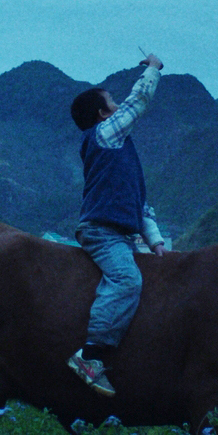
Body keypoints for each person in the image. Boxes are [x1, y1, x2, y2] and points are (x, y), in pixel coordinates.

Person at [66, 53, 169, 396]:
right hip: (102, 231)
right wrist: (153, 69)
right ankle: (91, 355)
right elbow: (137, 102)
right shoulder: (104, 135)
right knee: (126, 280)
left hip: (121, 233)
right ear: (103, 114)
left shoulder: (122, 151)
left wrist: (155, 242)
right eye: (112, 101)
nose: (118, 104)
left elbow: (138, 204)